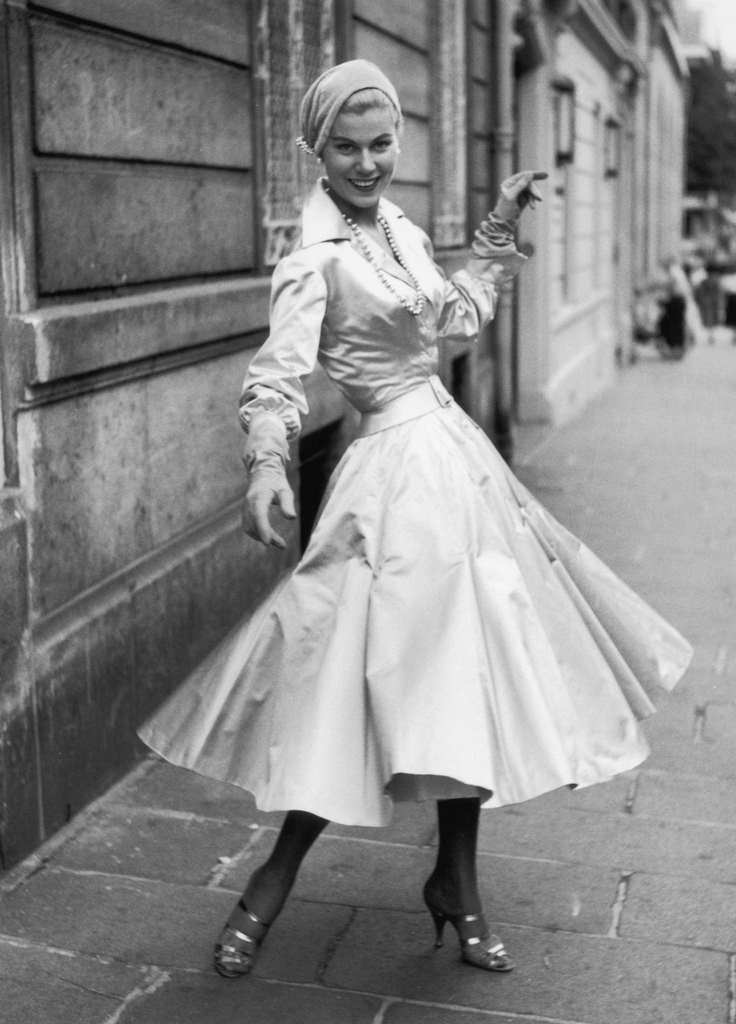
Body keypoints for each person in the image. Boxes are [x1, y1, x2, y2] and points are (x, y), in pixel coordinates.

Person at [139, 60, 692, 979]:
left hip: (458, 471)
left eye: (383, 142)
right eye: (347, 147)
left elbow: (456, 318)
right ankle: (274, 879)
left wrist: (499, 230)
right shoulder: (312, 259)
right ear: (317, 151)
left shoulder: (398, 231)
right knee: (347, 687)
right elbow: (276, 377)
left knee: (466, 675)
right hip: (388, 487)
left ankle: (458, 880)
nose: (368, 162)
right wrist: (268, 466)